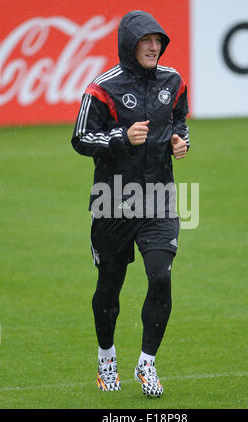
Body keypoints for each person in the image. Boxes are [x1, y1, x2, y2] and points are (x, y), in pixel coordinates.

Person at [71, 10, 189, 397]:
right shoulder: (102, 88)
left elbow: (180, 121)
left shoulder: (173, 82)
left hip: (159, 199)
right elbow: (81, 138)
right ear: (129, 44)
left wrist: (181, 141)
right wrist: (122, 137)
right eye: (146, 41)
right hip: (113, 202)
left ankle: (147, 363)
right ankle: (107, 357)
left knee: (161, 277)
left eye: (158, 41)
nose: (154, 47)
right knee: (110, 286)